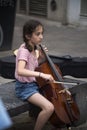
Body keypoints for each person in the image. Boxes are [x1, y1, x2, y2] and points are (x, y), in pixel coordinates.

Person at [15, 19, 55, 130]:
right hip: (24, 88)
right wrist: (41, 74)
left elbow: (33, 64)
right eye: (38, 34)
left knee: (54, 99)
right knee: (49, 108)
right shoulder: (24, 51)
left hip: (34, 84)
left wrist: (42, 57)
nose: (41, 37)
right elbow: (20, 70)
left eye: (42, 33)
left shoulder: (34, 48)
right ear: (28, 36)